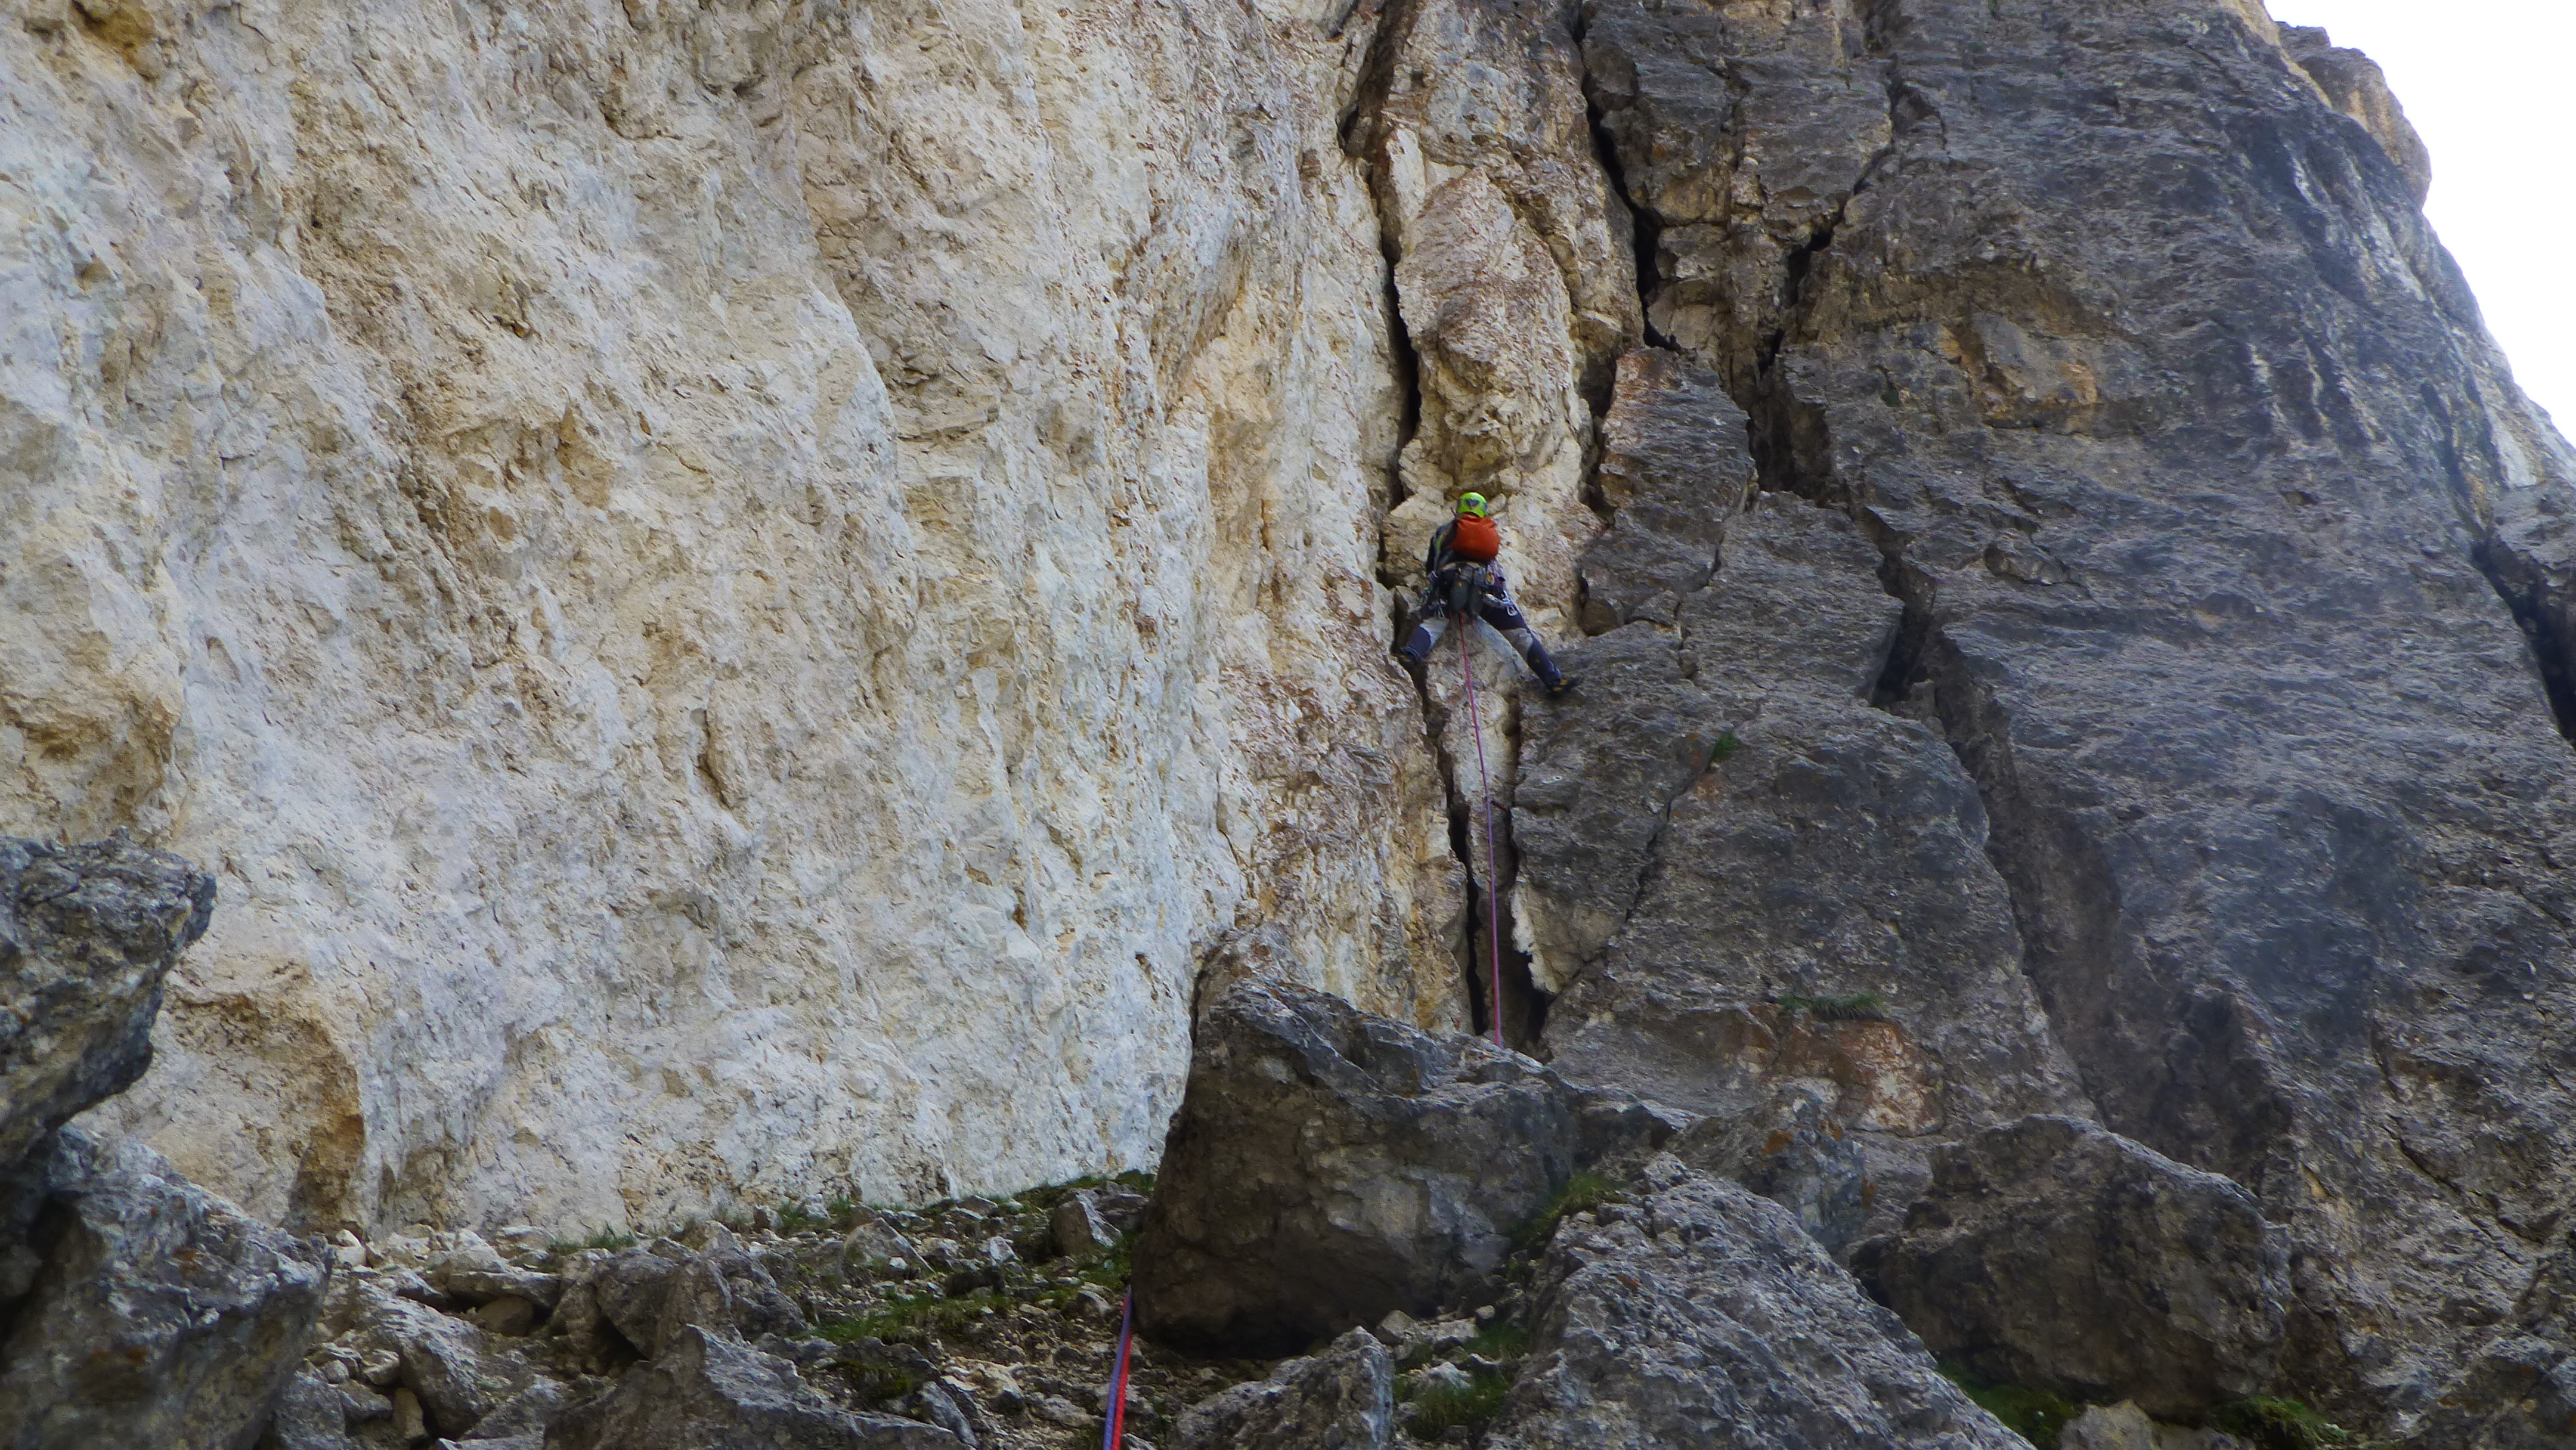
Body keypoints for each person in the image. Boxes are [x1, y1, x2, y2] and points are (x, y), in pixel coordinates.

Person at [1398, 493, 1577, 698]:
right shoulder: (1488, 531)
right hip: (1486, 588)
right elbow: (1493, 563)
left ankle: (1411, 654)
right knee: (1520, 634)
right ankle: (1553, 680)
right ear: (1483, 510)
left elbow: (1431, 566)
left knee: (1434, 624)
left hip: (1447, 584)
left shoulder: (1444, 531)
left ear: (1459, 508)